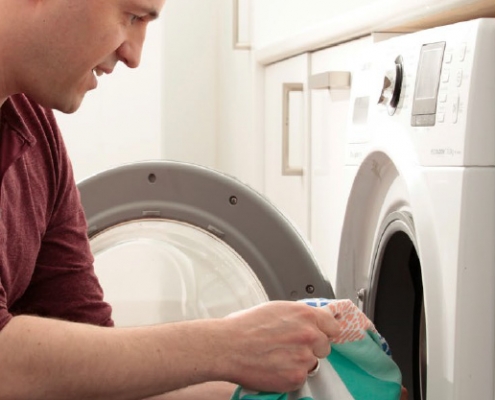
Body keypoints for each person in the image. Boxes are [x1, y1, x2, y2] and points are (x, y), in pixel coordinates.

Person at [0, 1, 343, 399]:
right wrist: (228, 346)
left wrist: (301, 390)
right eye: (132, 16)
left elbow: (95, 379)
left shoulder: (35, 130)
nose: (133, 55)